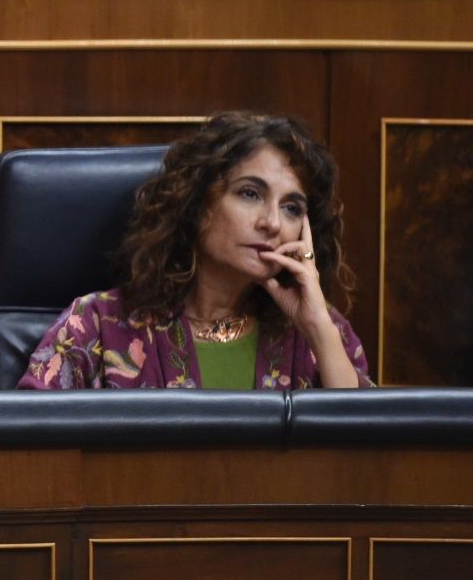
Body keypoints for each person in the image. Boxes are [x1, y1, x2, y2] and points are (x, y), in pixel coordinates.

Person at [19, 112, 373, 390]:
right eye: (250, 193)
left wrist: (318, 330)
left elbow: (369, 461)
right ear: (197, 203)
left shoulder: (323, 331)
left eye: (292, 208)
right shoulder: (95, 324)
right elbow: (27, 451)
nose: (273, 223)